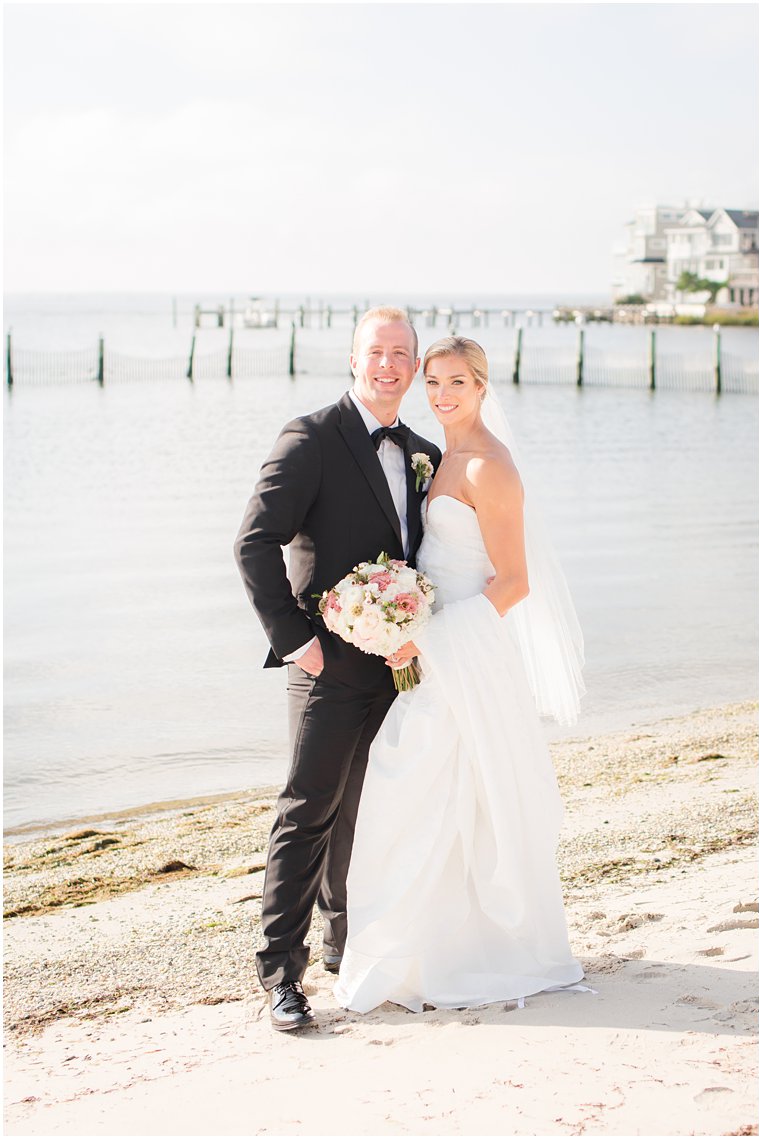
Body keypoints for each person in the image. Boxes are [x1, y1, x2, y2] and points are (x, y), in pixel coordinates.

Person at [332, 335, 586, 1014]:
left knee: (420, 787)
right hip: (438, 647)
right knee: (422, 795)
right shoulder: (440, 459)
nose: (441, 395)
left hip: (463, 657)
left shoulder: (490, 469)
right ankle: (420, 947)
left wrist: (428, 642)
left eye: (456, 383)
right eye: (434, 383)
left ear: (481, 386)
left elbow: (515, 583)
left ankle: (448, 955)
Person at [235, 306, 442, 1030]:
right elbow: (253, 543)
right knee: (307, 812)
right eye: (376, 351)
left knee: (371, 810)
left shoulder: (423, 452)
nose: (389, 364)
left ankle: (345, 943)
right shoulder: (311, 437)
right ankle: (279, 975)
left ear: (414, 366)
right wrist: (297, 641)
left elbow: (425, 556)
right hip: (325, 663)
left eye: (401, 353)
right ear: (353, 360)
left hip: (396, 669)